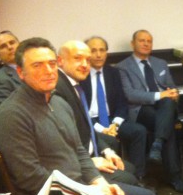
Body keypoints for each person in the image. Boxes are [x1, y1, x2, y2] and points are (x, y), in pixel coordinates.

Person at [0, 37, 156, 195]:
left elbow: (79, 151)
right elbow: (31, 178)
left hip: (77, 185)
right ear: (21, 73)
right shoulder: (11, 114)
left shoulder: (58, 102)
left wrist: (99, 183)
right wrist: (88, 192)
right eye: (37, 65)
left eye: (52, 63)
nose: (48, 71)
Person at [117, 29, 183, 193]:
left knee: (167, 107)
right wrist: (160, 95)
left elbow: (172, 87)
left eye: (149, 41)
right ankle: (176, 177)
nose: (146, 44)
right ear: (132, 44)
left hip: (165, 107)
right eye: (142, 40)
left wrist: (173, 94)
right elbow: (130, 95)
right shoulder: (123, 67)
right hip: (141, 110)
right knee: (166, 125)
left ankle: (157, 143)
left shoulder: (160, 63)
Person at [56, 40, 139, 186]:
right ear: (60, 61)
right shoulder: (59, 89)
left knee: (131, 164)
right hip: (78, 165)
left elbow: (121, 102)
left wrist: (106, 150)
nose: (84, 64)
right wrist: (90, 162)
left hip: (98, 137)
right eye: (78, 58)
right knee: (133, 181)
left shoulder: (74, 83)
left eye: (87, 60)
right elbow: (65, 139)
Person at [81, 36, 148, 185]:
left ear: (107, 53)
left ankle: (138, 178)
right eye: (93, 50)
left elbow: (121, 102)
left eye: (102, 50)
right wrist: (101, 129)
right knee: (108, 140)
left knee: (139, 131)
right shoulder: (80, 74)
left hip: (112, 119)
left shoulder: (113, 72)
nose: (98, 55)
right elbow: (79, 110)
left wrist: (115, 125)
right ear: (86, 53)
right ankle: (116, 179)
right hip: (89, 121)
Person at [0, 31, 22, 112]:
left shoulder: (34, 67)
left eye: (12, 42)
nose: (9, 47)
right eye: (3, 46)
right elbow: (4, 112)